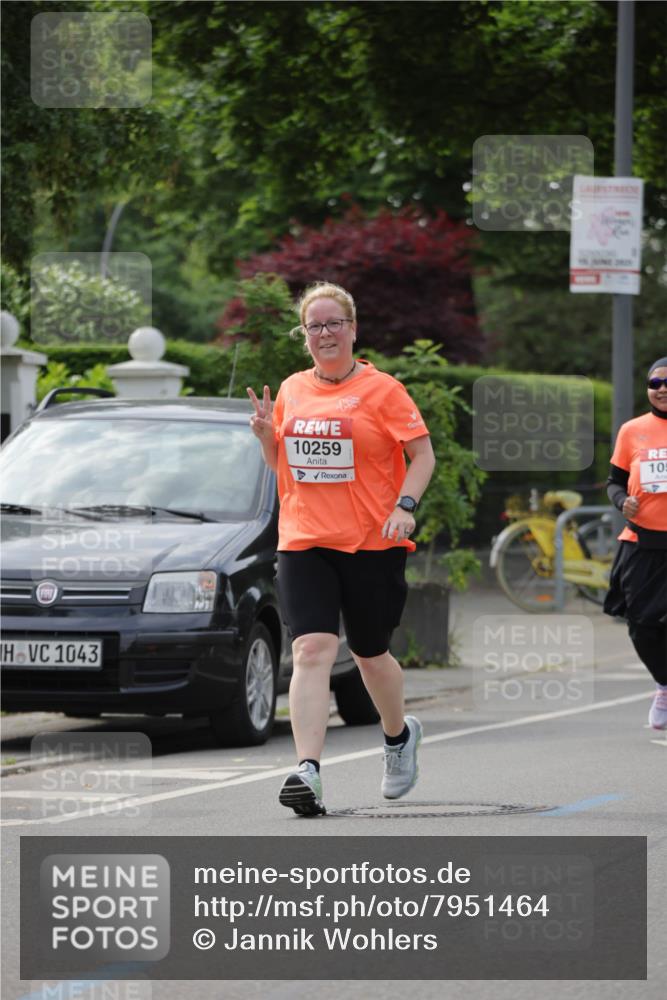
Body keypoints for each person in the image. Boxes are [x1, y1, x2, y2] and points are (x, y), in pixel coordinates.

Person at [247, 281, 436, 815]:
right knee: (310, 649)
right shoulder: (291, 390)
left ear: (353, 329)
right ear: (303, 335)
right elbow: (281, 466)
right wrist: (266, 436)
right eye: (315, 326)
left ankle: (398, 738)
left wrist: (405, 505)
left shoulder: (384, 391)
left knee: (370, 654)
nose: (325, 333)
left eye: (334, 323)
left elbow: (422, 456)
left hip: (373, 541)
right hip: (305, 539)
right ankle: (307, 771)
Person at [603, 356, 667, 730]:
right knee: (642, 624)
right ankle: (663, 684)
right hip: (641, 541)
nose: (661, 389)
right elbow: (614, 481)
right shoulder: (632, 431)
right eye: (654, 383)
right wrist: (621, 501)